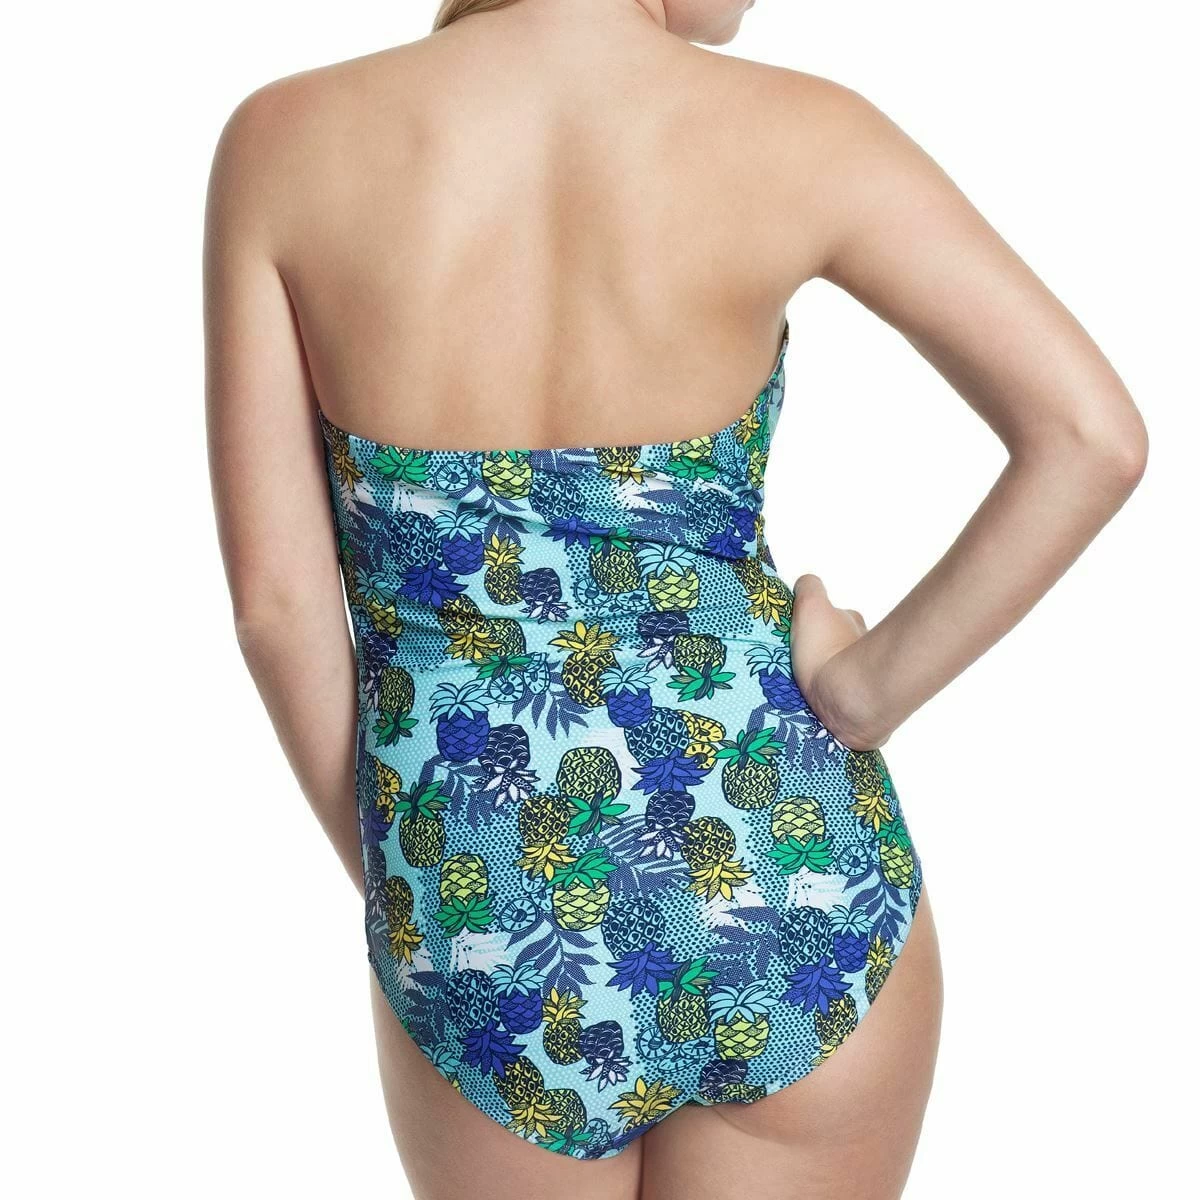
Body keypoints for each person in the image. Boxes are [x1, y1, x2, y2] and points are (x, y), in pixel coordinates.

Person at [203, 2, 1148, 1197]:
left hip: (486, 899)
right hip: (781, 862)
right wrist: (865, 688)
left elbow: (279, 611)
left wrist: (422, 888)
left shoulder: (286, 139)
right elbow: (1090, 437)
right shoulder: (807, 132)